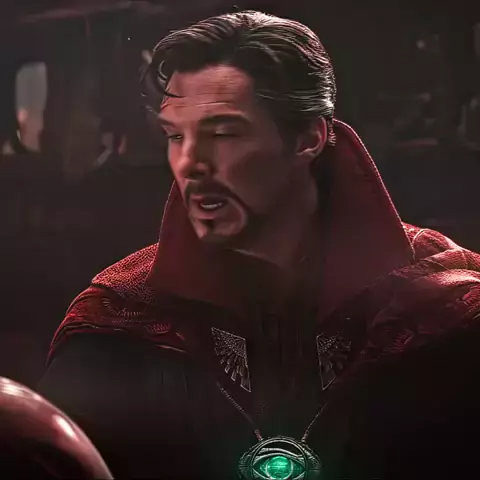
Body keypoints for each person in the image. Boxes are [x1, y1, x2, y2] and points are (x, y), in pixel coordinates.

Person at [38, 11, 480, 479]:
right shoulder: (118, 325)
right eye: (176, 136)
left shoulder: (449, 314)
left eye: (223, 133)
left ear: (309, 138)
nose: (190, 163)